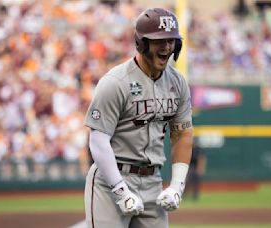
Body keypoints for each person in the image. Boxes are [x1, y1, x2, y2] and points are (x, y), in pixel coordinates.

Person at [83, 7, 193, 228]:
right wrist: (120, 189)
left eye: (171, 40)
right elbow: (97, 140)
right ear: (142, 43)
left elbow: (182, 133)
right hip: (110, 180)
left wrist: (176, 186)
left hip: (153, 180)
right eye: (159, 41)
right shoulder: (115, 82)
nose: (167, 47)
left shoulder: (178, 83)